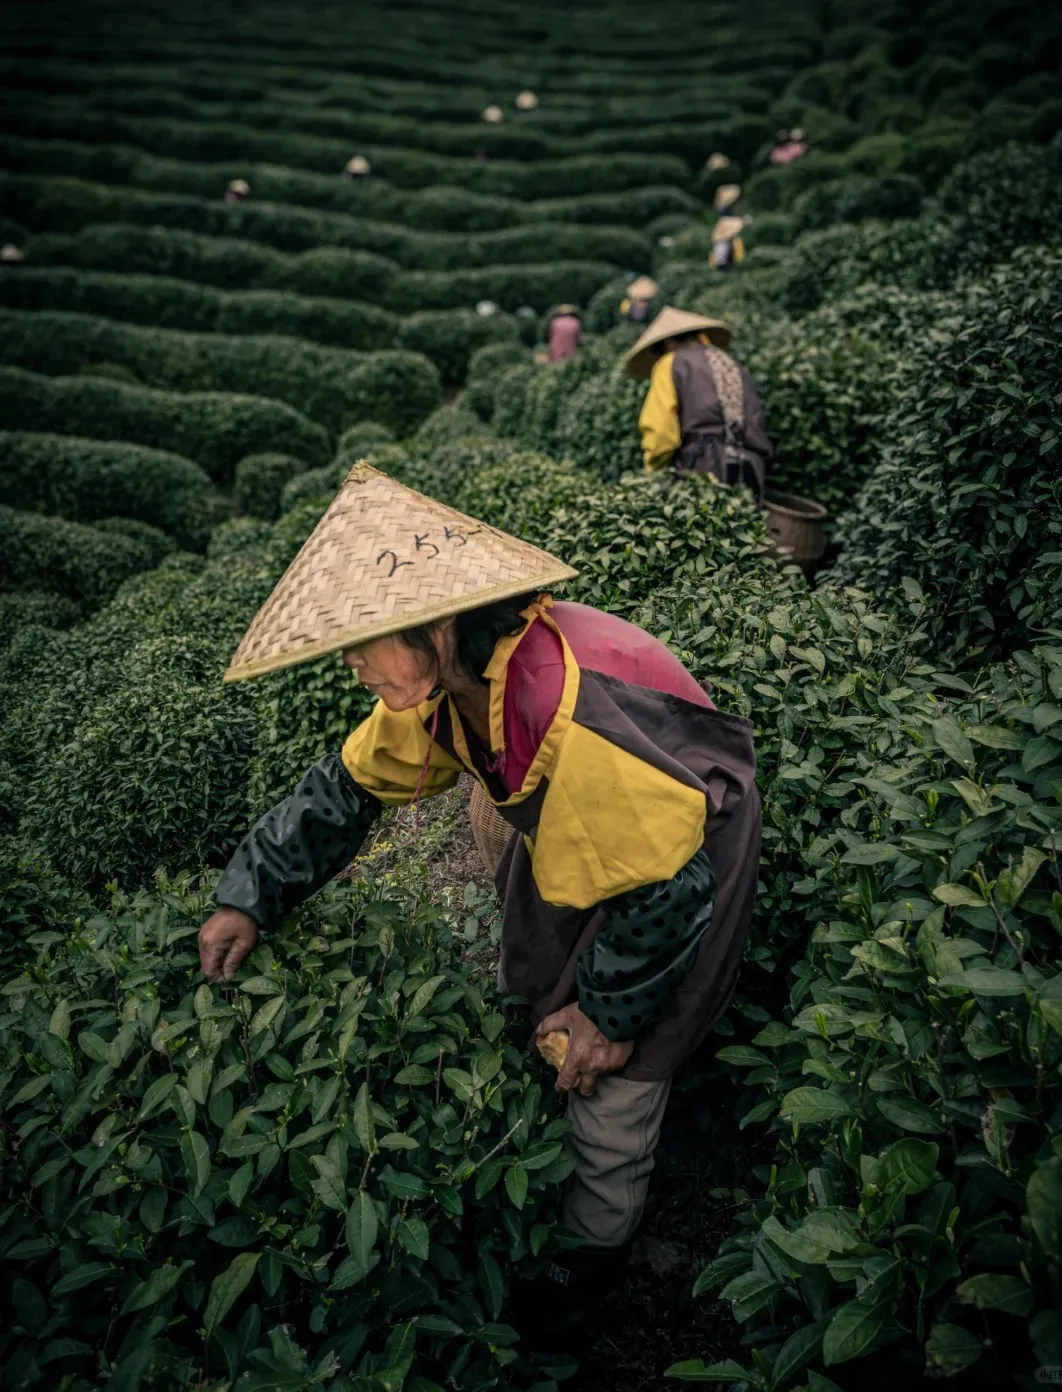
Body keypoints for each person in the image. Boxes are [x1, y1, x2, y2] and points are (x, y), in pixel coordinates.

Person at [199, 462, 761, 1356]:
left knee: (619, 1075)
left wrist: (609, 1016)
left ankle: (576, 1286)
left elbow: (669, 888)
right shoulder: (454, 685)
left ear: (438, 626)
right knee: (546, 974)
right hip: (595, 829)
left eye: (365, 639)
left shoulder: (564, 711)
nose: (351, 662)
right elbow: (341, 793)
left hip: (686, 849)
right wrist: (251, 895)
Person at [627, 306, 773, 502]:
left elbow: (661, 432)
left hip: (703, 467)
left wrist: (654, 471)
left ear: (669, 341)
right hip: (752, 467)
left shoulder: (671, 363)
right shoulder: (730, 362)